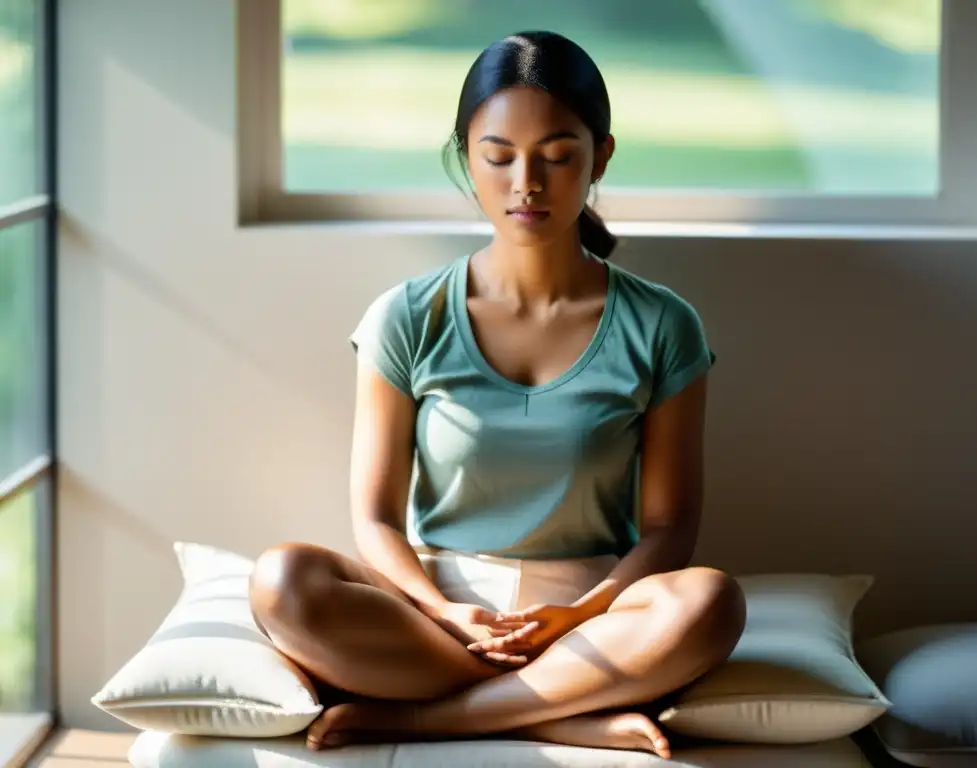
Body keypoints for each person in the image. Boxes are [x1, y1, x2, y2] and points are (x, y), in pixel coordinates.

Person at [249, 30, 746, 759]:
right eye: (499, 155)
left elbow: (670, 528)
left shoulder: (663, 324)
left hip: (590, 620)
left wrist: (577, 615)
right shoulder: (406, 317)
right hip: (434, 614)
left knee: (711, 603)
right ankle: (554, 711)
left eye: (557, 154)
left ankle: (426, 715)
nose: (527, 183)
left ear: (600, 156)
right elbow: (377, 520)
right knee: (281, 581)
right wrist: (446, 612)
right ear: (466, 156)